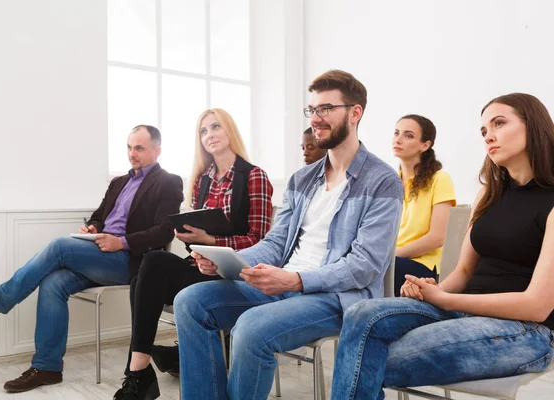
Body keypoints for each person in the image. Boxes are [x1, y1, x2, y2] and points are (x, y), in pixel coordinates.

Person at [173, 70, 403, 400]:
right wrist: (229, 262)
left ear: (355, 113)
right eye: (312, 110)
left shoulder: (382, 181)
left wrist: (295, 280)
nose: (317, 119)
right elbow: (276, 242)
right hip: (281, 284)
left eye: (326, 108)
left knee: (251, 329)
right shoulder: (303, 179)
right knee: (190, 302)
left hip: (338, 297)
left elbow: (364, 266)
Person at [330, 93, 554, 400]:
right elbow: (463, 270)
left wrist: (447, 301)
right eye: (484, 130)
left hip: (526, 331)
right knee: (360, 313)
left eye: (499, 123)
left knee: (364, 358)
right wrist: (431, 291)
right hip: (465, 312)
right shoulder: (489, 195)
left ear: (536, 127)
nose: (489, 135)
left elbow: (536, 306)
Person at [0, 125, 183, 394]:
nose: (132, 153)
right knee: (53, 282)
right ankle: (47, 367)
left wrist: (120, 241)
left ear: (157, 150)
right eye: (129, 147)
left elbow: (164, 230)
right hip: (101, 254)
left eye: (140, 148)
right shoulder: (118, 182)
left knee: (60, 246)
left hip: (133, 261)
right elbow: (99, 216)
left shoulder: (168, 181)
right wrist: (94, 228)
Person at [112, 108, 273, 400]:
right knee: (145, 274)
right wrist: (191, 240)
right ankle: (142, 370)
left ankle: (139, 375)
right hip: (201, 267)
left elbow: (260, 240)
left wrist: (209, 239)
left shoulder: (254, 177)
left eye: (215, 127)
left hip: (236, 274)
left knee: (151, 265)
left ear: (230, 131)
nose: (208, 135)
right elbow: (196, 237)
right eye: (203, 131)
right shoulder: (202, 180)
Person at [392, 115, 456, 296]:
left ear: (425, 145)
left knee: (372, 272)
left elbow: (437, 237)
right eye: (396, 133)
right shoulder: (390, 182)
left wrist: (392, 256)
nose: (398, 139)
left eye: (408, 135)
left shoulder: (439, 179)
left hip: (422, 266)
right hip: (391, 260)